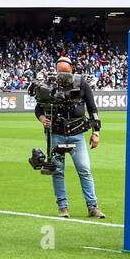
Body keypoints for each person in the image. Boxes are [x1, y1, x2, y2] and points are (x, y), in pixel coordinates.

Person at [34, 55, 103, 218]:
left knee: (85, 170)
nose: (63, 75)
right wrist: (43, 119)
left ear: (72, 69)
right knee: (57, 171)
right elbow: (38, 109)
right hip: (56, 134)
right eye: (60, 72)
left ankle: (93, 206)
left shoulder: (82, 83)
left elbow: (93, 109)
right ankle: (63, 208)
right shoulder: (49, 85)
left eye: (65, 71)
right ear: (56, 71)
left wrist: (96, 132)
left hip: (77, 134)